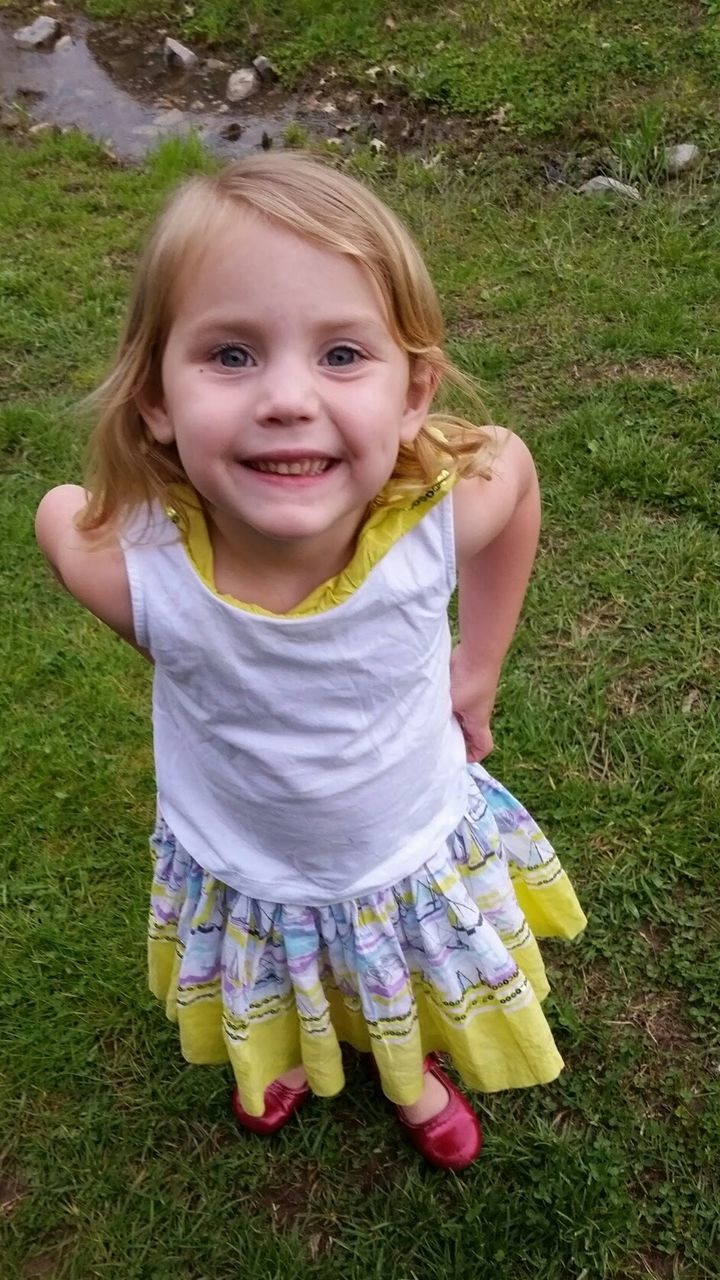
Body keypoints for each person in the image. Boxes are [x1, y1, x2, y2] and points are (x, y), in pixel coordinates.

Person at [35, 152, 586, 1171]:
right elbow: (63, 515)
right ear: (155, 396)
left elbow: (516, 469)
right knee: (271, 978)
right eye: (230, 355)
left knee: (394, 982)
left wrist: (482, 660)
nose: (288, 396)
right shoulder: (144, 578)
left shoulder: (439, 523)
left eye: (341, 354)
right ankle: (279, 1051)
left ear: (413, 390)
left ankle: (411, 1070)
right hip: (241, 859)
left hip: (398, 845)